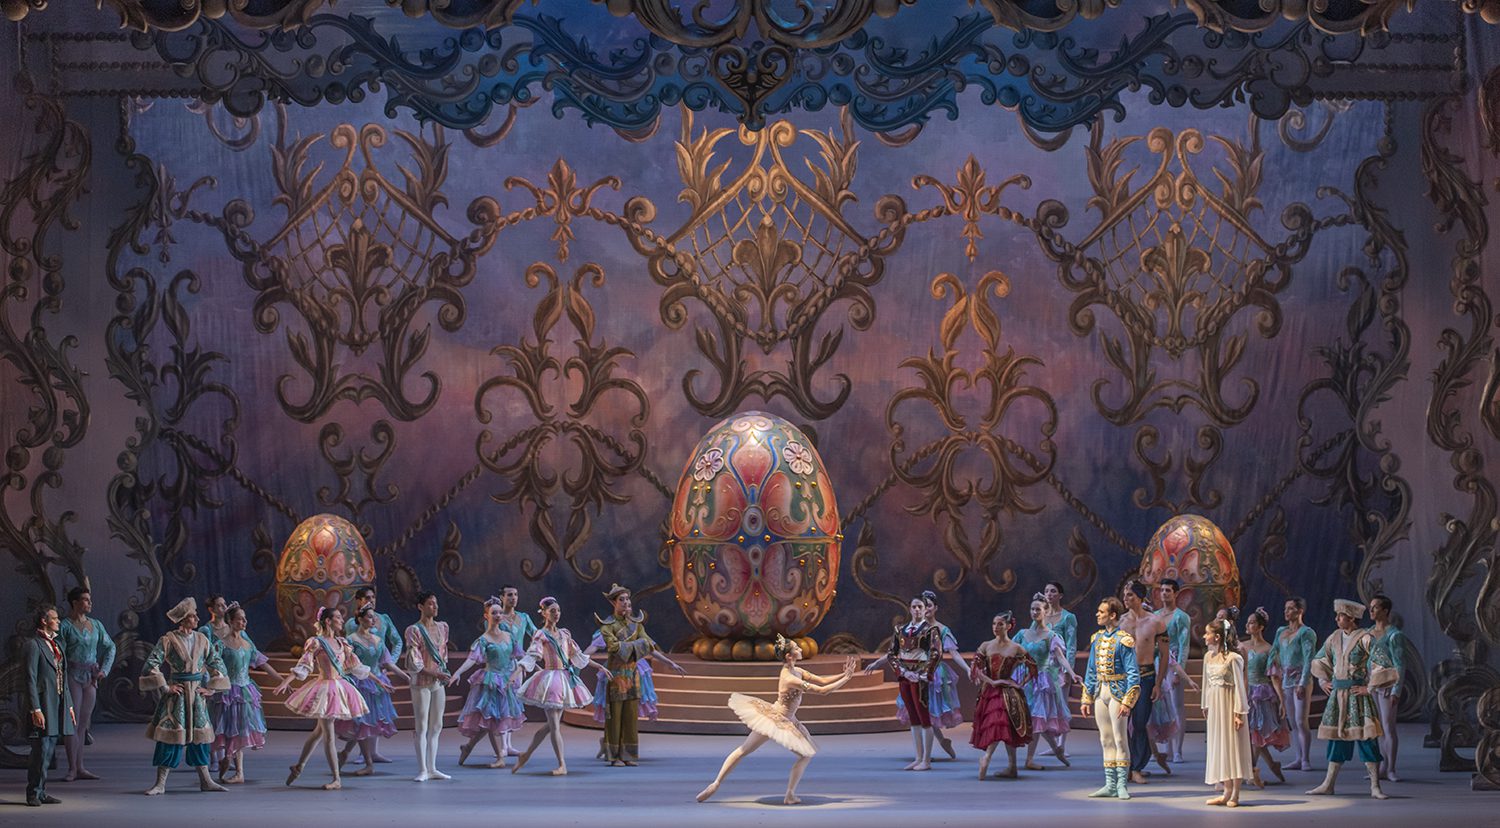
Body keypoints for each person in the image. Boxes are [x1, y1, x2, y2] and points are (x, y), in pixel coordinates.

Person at [697, 636, 858, 805]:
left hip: (789, 719)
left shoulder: (797, 671)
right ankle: (715, 784)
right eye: (797, 648)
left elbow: (823, 680)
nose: (801, 649)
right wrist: (846, 679)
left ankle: (790, 794)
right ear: (789, 656)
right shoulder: (790, 678)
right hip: (775, 719)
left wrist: (844, 674)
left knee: (806, 754)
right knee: (744, 750)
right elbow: (822, 691)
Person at [1306, 598, 1397, 800]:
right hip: (1338, 697)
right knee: (1337, 740)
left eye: (1341, 616)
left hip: (1357, 697)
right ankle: (1328, 784)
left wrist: (1369, 687)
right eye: (1337, 616)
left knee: (1367, 738)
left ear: (1351, 618)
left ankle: (1375, 786)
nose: (1337, 619)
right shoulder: (1334, 637)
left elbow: (1382, 661)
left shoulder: (1365, 637)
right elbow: (1321, 658)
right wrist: (1323, 681)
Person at [140, 597, 231, 795]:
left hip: (196, 696)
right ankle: (160, 783)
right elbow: (151, 664)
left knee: (200, 739)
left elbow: (216, 662)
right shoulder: (168, 640)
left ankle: (206, 780)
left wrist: (212, 688)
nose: (197, 618)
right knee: (170, 738)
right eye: (192, 616)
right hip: (178, 697)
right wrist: (165, 687)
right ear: (182, 619)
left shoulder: (202, 639)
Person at [275, 606, 369, 790]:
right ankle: (336, 778)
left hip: (339, 687)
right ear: (328, 621)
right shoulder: (316, 643)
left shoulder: (342, 642)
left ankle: (299, 766)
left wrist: (377, 680)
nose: (342, 620)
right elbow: (304, 665)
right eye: (338, 617)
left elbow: (356, 666)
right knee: (328, 736)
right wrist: (286, 681)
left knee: (318, 732)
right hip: (325, 689)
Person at [512, 596, 607, 776]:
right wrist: (515, 674)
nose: (556, 614)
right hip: (550, 680)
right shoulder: (541, 634)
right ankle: (562, 764)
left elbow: (578, 656)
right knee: (555, 726)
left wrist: (599, 666)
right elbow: (531, 656)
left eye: (558, 610)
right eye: (552, 611)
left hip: (564, 680)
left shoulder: (564, 634)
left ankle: (525, 755)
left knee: (550, 725)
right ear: (544, 613)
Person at [595, 584, 685, 766]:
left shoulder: (636, 625)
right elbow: (614, 647)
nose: (625, 602)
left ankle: (628, 755)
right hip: (616, 677)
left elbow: (649, 646)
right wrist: (639, 646)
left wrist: (670, 663)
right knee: (615, 717)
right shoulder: (608, 626)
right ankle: (614, 756)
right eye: (621, 600)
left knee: (630, 717)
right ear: (613, 603)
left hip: (633, 676)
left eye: (627, 599)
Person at [862, 596, 943, 770]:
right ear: (910, 608)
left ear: (925, 609)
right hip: (905, 676)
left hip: (919, 676)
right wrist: (903, 672)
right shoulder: (900, 630)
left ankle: (926, 760)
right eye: (914, 606)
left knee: (923, 716)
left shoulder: (931, 630)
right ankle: (918, 757)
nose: (917, 610)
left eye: (920, 606)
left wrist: (923, 674)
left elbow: (936, 653)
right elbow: (892, 654)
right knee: (913, 717)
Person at [212, 604, 284, 784]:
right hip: (228, 693)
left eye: (245, 618)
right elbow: (211, 666)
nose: (244, 621)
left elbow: (263, 664)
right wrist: (210, 686)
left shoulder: (247, 645)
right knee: (229, 730)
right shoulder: (221, 645)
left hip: (244, 692)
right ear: (230, 621)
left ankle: (238, 770)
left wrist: (282, 680)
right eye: (240, 619)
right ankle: (228, 760)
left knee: (241, 729)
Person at [451, 598, 525, 768]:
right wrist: (458, 672)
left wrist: (535, 666)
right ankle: (500, 758)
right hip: (491, 681)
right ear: (486, 616)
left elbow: (521, 656)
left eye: (500, 612)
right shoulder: (483, 640)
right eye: (494, 613)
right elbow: (472, 659)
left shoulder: (509, 636)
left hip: (506, 681)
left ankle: (468, 747)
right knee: (490, 719)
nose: (498, 615)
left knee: (489, 723)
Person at [337, 605, 409, 775]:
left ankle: (346, 752)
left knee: (368, 723)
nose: (373, 619)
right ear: (360, 619)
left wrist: (405, 676)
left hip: (377, 685)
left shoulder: (378, 640)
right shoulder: (351, 640)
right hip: (359, 684)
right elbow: (348, 664)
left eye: (374, 617)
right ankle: (368, 764)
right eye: (369, 617)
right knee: (361, 722)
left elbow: (387, 662)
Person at [1080, 597, 1139, 800]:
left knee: (1120, 738)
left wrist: (1128, 701)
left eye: (1102, 612)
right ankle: (1110, 784)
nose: (1097, 614)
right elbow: (1091, 670)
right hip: (1100, 692)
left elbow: (1133, 673)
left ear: (1112, 615)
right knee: (1105, 739)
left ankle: (1122, 784)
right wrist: (1086, 698)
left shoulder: (1124, 640)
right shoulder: (1096, 638)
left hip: (1118, 692)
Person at [57, 585, 113, 782]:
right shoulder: (65, 626)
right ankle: (72, 768)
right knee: (72, 723)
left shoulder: (95, 625)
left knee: (83, 724)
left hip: (91, 677)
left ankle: (80, 766)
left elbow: (110, 647)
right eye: (86, 600)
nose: (90, 603)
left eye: (89, 600)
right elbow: (58, 654)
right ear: (75, 602)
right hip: (72, 675)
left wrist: (104, 670)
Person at [970, 611, 1035, 779]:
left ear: (1008, 626)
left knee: (1007, 727)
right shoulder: (986, 645)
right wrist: (992, 682)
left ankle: (1009, 766)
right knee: (998, 724)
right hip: (991, 691)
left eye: (1000, 624)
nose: (996, 627)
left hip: (1008, 691)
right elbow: (975, 669)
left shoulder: (1016, 647)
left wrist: (1020, 683)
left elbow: (1033, 667)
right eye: (994, 624)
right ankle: (987, 758)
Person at [1017, 594, 1077, 769]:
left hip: (1041, 681)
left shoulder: (1051, 636)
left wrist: (1072, 673)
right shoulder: (1023, 634)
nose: (1034, 612)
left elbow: (1061, 657)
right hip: (1024, 679)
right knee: (1034, 720)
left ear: (1045, 612)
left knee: (1037, 718)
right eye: (1032, 609)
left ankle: (1029, 759)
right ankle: (1057, 750)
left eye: (1038, 609)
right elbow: (1010, 650)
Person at [1118, 580, 1168, 785]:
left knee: (1139, 722)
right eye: (1124, 595)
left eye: (1130, 595)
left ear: (1140, 597)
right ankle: (1128, 765)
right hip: (1124, 677)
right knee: (1122, 722)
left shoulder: (1156, 622)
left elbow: (1164, 655)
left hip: (1146, 676)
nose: (1126, 598)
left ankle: (1137, 767)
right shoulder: (1120, 622)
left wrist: (1158, 683)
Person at [25, 604, 74, 806]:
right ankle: (33, 792)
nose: (58, 621)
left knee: (50, 748)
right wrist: (35, 708)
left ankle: (41, 791)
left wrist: (69, 705)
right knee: (41, 749)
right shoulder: (34, 645)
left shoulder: (57, 645)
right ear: (44, 621)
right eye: (54, 618)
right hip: (43, 704)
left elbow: (64, 676)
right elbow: (30, 678)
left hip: (57, 702)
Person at [1202, 616, 1253, 807]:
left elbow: (1239, 687)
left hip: (1230, 705)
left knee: (1233, 747)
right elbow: (1206, 684)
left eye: (1207, 633)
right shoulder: (1208, 657)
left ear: (1217, 637)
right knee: (1219, 746)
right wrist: (1205, 705)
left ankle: (1235, 794)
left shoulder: (1234, 658)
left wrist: (1238, 713)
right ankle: (1226, 791)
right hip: (1216, 706)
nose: (1204, 636)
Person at [914, 590, 968, 759]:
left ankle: (927, 753)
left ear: (935, 608)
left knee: (930, 711)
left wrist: (967, 669)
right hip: (917, 672)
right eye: (923, 605)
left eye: (929, 605)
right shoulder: (915, 627)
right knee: (920, 712)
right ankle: (933, 747)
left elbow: (954, 653)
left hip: (935, 674)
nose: (926, 609)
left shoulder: (943, 629)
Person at [405, 591, 452, 782]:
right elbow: (415, 662)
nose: (435, 607)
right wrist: (435, 673)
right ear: (421, 607)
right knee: (422, 724)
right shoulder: (414, 630)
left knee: (437, 724)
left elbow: (443, 653)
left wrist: (442, 673)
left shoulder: (443, 627)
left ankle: (433, 767)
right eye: (431, 604)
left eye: (435, 603)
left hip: (437, 683)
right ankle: (423, 769)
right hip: (421, 683)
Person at [1241, 607, 1288, 787]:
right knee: (1251, 735)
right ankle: (1272, 765)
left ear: (1260, 627)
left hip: (1262, 694)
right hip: (1246, 691)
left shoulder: (1269, 649)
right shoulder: (1242, 646)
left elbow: (1274, 677)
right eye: (1248, 622)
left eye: (1252, 622)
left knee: (1258, 733)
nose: (1248, 625)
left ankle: (1251, 771)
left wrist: (1281, 699)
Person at [1272, 596, 1317, 770]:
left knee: (1300, 720)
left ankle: (1305, 759)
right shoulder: (1281, 631)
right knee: (1292, 721)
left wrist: (1302, 683)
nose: (1286, 611)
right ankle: (1298, 757)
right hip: (1286, 681)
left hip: (1300, 680)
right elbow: (1275, 652)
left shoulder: (1306, 633)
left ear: (1300, 611)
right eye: (1286, 608)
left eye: (1290, 608)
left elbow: (1308, 659)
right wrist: (1273, 671)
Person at [494, 584, 538, 757]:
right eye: (509, 595)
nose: (513, 598)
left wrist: (532, 654)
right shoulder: (497, 616)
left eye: (515, 594)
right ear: (502, 598)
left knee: (513, 703)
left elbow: (536, 635)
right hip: (501, 665)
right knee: (503, 703)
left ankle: (509, 744)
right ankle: (503, 745)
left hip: (517, 666)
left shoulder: (523, 617)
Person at [1152, 579, 1192, 762]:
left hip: (1173, 663)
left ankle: (1178, 750)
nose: (1164, 593)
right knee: (1163, 705)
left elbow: (1184, 645)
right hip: (1157, 663)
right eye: (1162, 590)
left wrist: (1179, 671)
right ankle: (1165, 748)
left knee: (1177, 705)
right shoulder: (1155, 616)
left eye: (1168, 590)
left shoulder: (1181, 617)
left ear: (1176, 594)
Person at [1368, 594, 1405, 782]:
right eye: (1371, 607)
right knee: (1378, 728)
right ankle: (1382, 767)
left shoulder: (1394, 635)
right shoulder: (1368, 633)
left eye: (1375, 607)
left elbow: (1400, 664)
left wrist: (1397, 690)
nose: (1371, 610)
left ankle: (1391, 768)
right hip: (1372, 684)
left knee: (1388, 726)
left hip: (1387, 684)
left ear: (1385, 611)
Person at [1041, 581, 1078, 757]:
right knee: (1047, 704)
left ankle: (1062, 744)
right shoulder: (1041, 615)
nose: (1049, 594)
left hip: (1060, 664)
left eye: (1053, 591)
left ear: (1060, 595)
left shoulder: (1068, 617)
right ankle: (1053, 744)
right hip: (1045, 666)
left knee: (1062, 703)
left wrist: (1068, 669)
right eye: (1047, 591)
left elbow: (1071, 645)